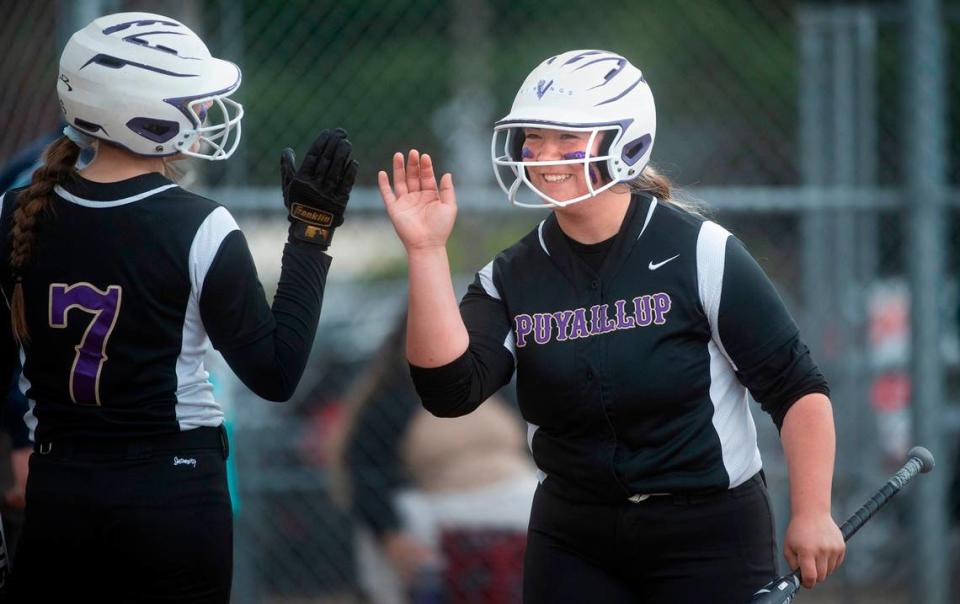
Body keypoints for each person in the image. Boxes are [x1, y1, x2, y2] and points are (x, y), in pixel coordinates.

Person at [378, 49, 845, 603]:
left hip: (707, 530)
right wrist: (426, 251)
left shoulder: (701, 252)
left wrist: (814, 512)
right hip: (574, 533)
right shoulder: (511, 275)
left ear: (627, 141)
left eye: (566, 137)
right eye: (534, 135)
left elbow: (796, 390)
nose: (543, 154)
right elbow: (449, 391)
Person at [0, 12, 357, 603]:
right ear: (146, 113)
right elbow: (276, 371)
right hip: (171, 496)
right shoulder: (199, 226)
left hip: (58, 491)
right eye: (193, 101)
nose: (206, 115)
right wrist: (310, 235)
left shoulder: (15, 212)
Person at [335, 312, 534, 604]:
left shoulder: (498, 385)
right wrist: (392, 538)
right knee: (384, 536)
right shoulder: (392, 402)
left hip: (519, 497)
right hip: (443, 507)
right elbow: (367, 479)